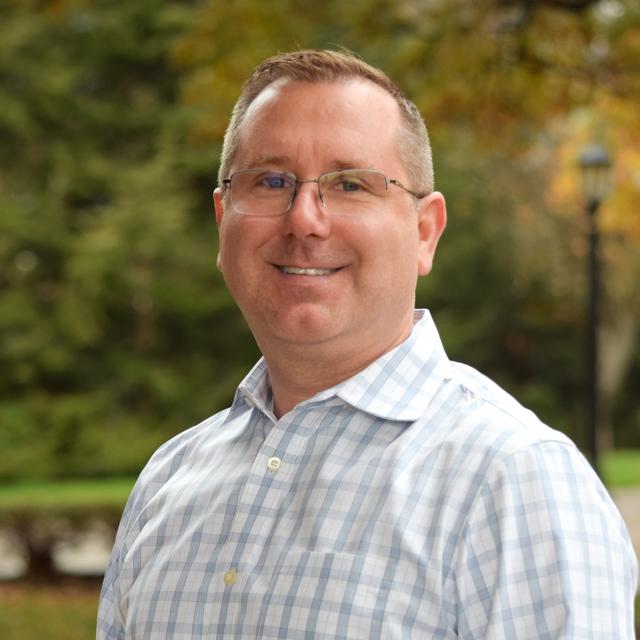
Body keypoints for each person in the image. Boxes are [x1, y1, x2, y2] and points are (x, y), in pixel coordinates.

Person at [97, 49, 637, 639]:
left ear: (425, 232)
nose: (304, 219)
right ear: (223, 219)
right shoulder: (167, 482)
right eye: (271, 181)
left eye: (351, 184)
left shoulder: (516, 482)